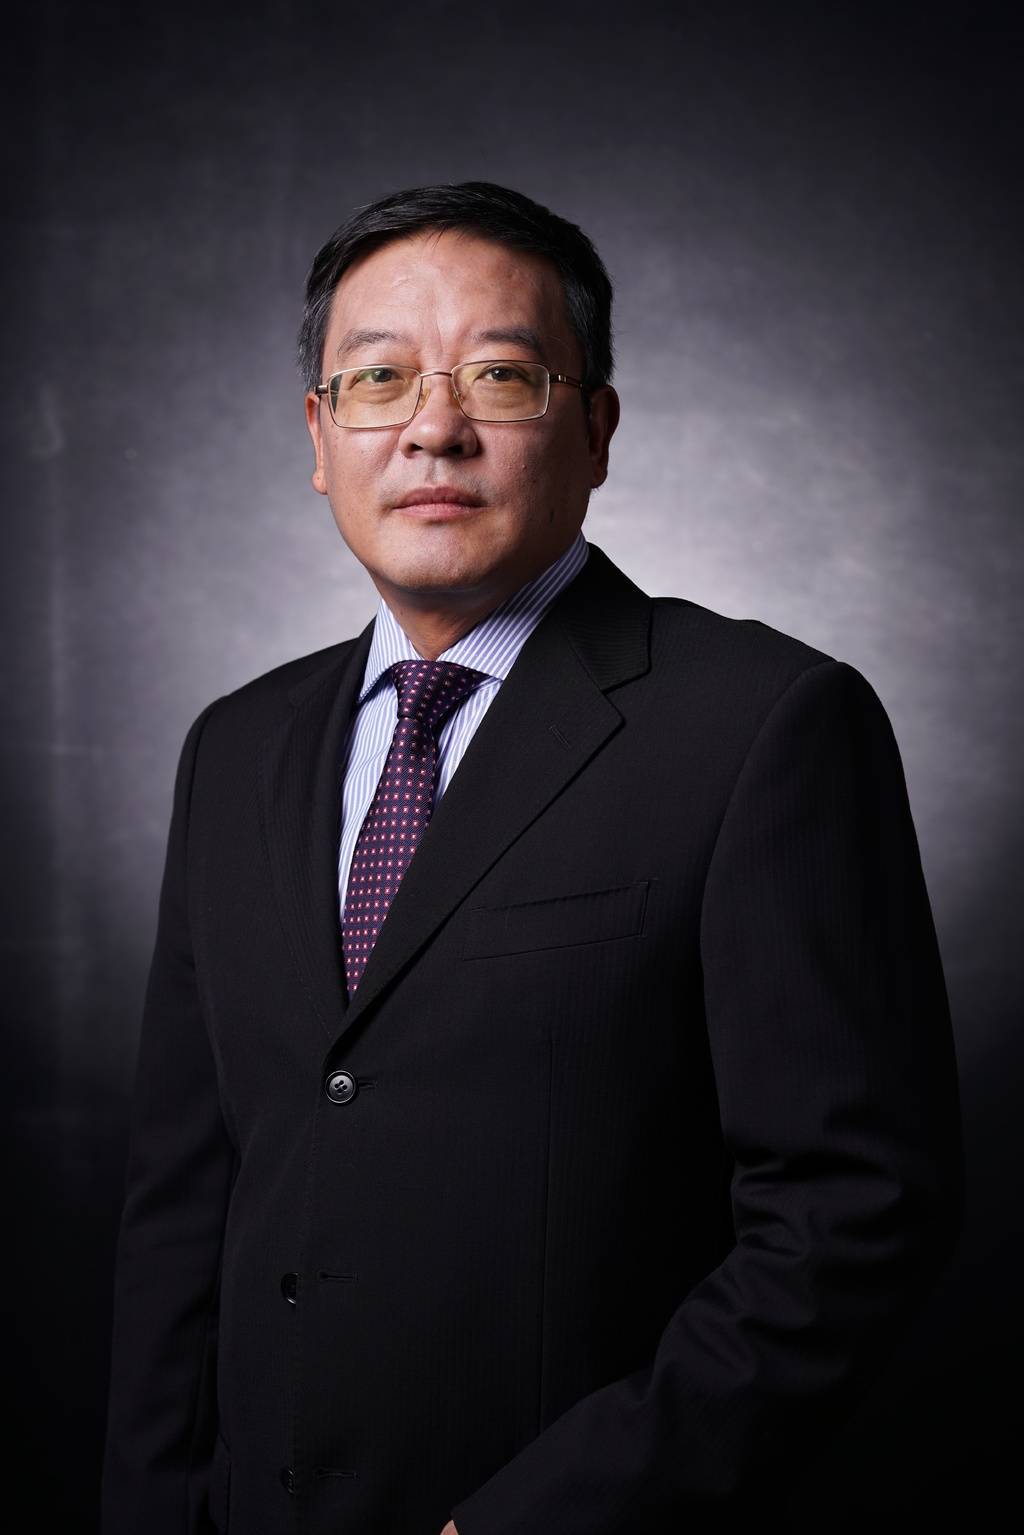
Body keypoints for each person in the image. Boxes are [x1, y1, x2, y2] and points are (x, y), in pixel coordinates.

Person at [101, 180, 964, 1535]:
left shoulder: (765, 725)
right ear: (321, 437)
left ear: (597, 426)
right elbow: (181, 1212)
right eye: (378, 378)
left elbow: (850, 1219)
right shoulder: (236, 747)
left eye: (500, 376)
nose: (432, 427)